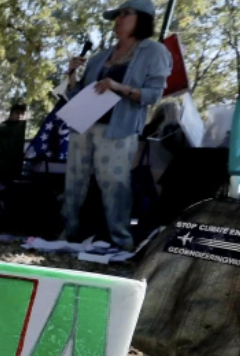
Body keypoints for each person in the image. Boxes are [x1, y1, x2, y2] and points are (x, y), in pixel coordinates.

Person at [62, 0, 172, 250]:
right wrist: (71, 74)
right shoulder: (100, 57)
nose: (118, 19)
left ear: (142, 19)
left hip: (118, 129)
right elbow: (75, 94)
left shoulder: (155, 52)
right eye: (117, 15)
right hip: (84, 124)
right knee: (74, 181)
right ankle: (69, 234)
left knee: (114, 184)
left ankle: (121, 240)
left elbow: (154, 95)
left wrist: (120, 87)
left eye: (125, 14)